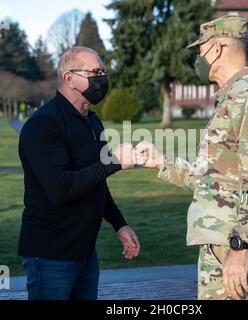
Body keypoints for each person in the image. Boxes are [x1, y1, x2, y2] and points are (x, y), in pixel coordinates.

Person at [135, 15, 248, 300]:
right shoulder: (233, 98)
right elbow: (214, 180)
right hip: (224, 247)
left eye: (200, 50)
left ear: (216, 48)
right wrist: (161, 162)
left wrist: (240, 248)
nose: (199, 58)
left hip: (237, 250)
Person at [18, 46, 140, 300]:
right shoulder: (43, 125)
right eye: (95, 71)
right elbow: (60, 188)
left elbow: (96, 181)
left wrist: (119, 224)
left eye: (103, 72)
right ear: (69, 78)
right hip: (50, 255)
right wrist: (115, 161)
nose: (102, 78)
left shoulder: (92, 122)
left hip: (85, 253)